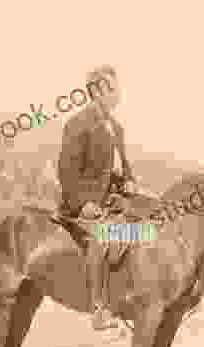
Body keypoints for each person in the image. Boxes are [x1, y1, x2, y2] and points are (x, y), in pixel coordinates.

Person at [57, 65, 138, 330]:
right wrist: (83, 204)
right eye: (113, 89)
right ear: (98, 91)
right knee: (103, 237)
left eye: (118, 88)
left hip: (110, 201)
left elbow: (121, 167)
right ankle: (98, 308)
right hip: (82, 206)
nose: (119, 94)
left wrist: (129, 181)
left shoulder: (116, 127)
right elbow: (66, 172)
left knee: (143, 230)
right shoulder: (78, 124)